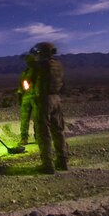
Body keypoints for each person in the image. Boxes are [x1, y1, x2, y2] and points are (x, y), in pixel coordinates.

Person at [31, 42, 68, 173]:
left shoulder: (40, 66)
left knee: (43, 132)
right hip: (56, 99)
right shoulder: (58, 65)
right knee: (58, 130)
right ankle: (63, 160)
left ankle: (48, 165)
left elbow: (30, 82)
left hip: (43, 100)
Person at [16, 53, 37, 145]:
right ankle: (28, 138)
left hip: (31, 98)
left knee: (32, 119)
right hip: (32, 98)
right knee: (29, 119)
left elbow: (21, 87)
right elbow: (21, 86)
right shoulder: (29, 72)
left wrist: (20, 98)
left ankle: (25, 138)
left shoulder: (28, 72)